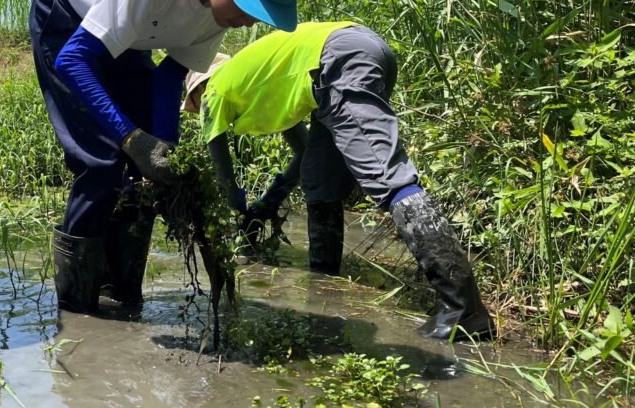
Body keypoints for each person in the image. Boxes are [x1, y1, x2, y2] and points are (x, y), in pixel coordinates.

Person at [30, 0, 311, 313]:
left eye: (260, 13)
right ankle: (78, 310)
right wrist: (132, 139)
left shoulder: (220, 10)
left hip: (131, 36)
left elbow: (168, 77)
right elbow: (74, 59)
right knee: (102, 162)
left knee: (146, 173)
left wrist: (166, 156)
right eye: (247, 6)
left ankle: (121, 292)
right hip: (68, 17)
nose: (248, 21)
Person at [183, 22, 495, 341]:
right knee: (319, 177)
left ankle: (465, 310)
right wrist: (268, 203)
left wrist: (241, 225)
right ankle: (324, 276)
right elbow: (303, 153)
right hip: (354, 52)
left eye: (193, 104)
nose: (198, 111)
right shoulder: (254, 82)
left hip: (337, 61)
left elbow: (224, 182)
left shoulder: (214, 93)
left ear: (198, 91)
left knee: (385, 175)